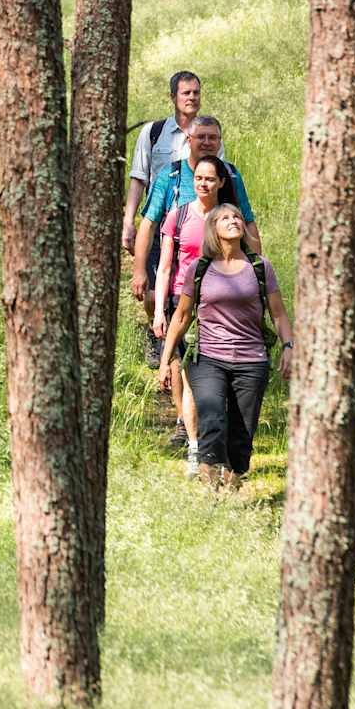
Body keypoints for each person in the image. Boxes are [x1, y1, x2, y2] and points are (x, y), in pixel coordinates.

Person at [157, 202, 294, 492]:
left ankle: (232, 485)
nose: (233, 221)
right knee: (212, 417)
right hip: (208, 358)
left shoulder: (259, 267)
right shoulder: (200, 268)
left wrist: (289, 347)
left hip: (251, 359)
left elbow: (278, 313)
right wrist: (165, 359)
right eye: (225, 218)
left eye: (237, 217)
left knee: (242, 430)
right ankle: (210, 488)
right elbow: (181, 316)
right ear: (213, 229)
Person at [131, 115, 259, 360]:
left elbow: (248, 222)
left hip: (225, 283)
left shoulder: (230, 176)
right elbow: (148, 225)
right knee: (178, 358)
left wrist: (257, 271)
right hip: (180, 281)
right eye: (201, 137)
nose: (207, 142)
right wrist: (139, 270)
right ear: (188, 140)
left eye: (213, 137)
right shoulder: (171, 176)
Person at [153, 152, 224, 474]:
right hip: (183, 302)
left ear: (221, 182)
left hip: (219, 304)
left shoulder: (228, 218)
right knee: (184, 372)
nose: (203, 184)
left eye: (210, 179)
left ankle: (206, 443)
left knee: (207, 377)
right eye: (199, 178)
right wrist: (158, 311)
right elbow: (165, 266)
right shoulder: (179, 216)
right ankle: (194, 442)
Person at [121, 70, 202, 256]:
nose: (192, 97)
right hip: (157, 224)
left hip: (196, 227)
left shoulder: (208, 137)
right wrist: (128, 222)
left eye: (196, 92)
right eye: (186, 93)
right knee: (154, 282)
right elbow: (139, 179)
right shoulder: (153, 132)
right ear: (173, 97)